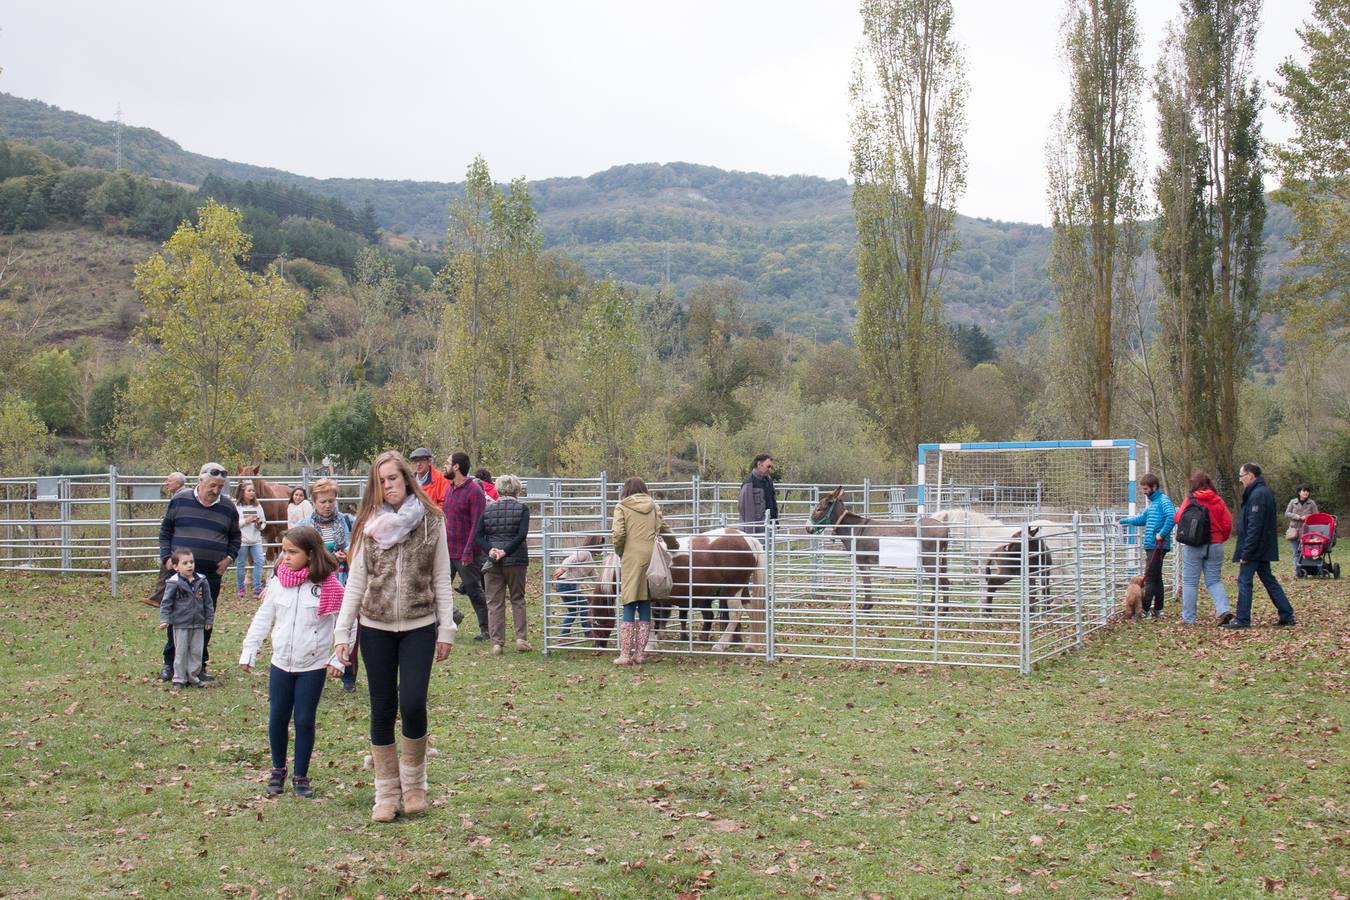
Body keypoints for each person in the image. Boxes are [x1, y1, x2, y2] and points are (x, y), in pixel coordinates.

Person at [334, 450, 457, 822]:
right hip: (376, 627)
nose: (388, 485)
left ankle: (415, 785)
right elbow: (355, 582)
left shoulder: (432, 522)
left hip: (420, 624)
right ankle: (386, 793)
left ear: (407, 477)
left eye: (393, 477)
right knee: (383, 707)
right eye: (382, 480)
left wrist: (446, 628)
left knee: (414, 702)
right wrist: (344, 631)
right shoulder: (368, 527)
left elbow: (441, 578)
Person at [239, 526, 345, 799]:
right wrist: (249, 650)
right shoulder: (278, 582)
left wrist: (339, 659)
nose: (284, 556)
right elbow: (264, 618)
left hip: (312, 666)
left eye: (292, 552)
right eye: (283, 551)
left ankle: (301, 775)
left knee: (304, 719)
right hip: (281, 663)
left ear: (310, 554)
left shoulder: (329, 586)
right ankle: (278, 769)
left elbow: (346, 625)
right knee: (277, 717)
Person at [157, 463, 240, 682]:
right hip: (179, 573)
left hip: (209, 574)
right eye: (212, 485)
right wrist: (167, 558)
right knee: (177, 617)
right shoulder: (180, 500)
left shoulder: (228, 507)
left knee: (205, 617)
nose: (215, 490)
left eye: (220, 487)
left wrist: (229, 558)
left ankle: (198, 665)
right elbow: (165, 531)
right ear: (200, 481)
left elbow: (235, 537)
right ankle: (171, 664)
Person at [610, 477, 678, 666]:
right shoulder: (654, 506)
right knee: (645, 603)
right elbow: (664, 528)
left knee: (630, 601)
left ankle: (625, 654)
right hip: (652, 557)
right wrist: (674, 545)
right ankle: (640, 653)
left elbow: (618, 534)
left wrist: (620, 551)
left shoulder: (621, 507)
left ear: (626, 490)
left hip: (632, 558)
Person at [302, 478, 360, 693]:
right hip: (316, 585)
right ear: (314, 501)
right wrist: (328, 557)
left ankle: (348, 674)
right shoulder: (304, 526)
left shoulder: (346, 521)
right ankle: (313, 673)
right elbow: (299, 555)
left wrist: (347, 554)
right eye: (323, 501)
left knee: (347, 628)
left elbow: (357, 546)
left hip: (343, 582)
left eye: (331, 501)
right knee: (315, 632)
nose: (328, 505)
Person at [1225, 463, 1297, 630]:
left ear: (1251, 475)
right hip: (1263, 547)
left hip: (1255, 548)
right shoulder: (1262, 492)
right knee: (1269, 580)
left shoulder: (1257, 495)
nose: (1240, 480)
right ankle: (1286, 614)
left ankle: (1243, 619)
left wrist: (1246, 552)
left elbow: (1255, 526)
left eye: (1241, 476)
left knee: (1244, 581)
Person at [475, 474, 532, 656]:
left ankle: (497, 643)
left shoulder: (487, 509)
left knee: (494, 602)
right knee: (517, 598)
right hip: (516, 559)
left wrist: (492, 550)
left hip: (492, 561)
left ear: (498, 489)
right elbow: (521, 535)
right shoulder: (522, 508)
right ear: (517, 489)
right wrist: (506, 551)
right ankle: (521, 638)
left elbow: (478, 535)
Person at [1173, 472, 1235, 626]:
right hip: (1215, 544)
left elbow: (1178, 518)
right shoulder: (1218, 500)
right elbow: (1227, 522)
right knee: (1214, 580)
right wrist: (1220, 538)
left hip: (1193, 545)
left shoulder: (1190, 499)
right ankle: (1223, 609)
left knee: (1189, 582)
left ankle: (1189, 618)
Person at [443, 452, 490, 642]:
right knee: (440, 589)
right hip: (447, 550)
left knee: (473, 590)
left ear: (456, 467)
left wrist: (468, 551)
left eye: (447, 463)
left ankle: (486, 629)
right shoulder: (450, 489)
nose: (444, 466)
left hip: (466, 552)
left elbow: (477, 524)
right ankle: (452, 617)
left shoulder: (474, 492)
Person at [1120, 473, 1176, 619]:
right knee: (1156, 578)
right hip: (1153, 545)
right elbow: (1141, 519)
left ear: (1154, 487)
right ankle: (1158, 609)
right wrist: (1124, 521)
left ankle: (1143, 610)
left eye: (1145, 489)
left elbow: (1172, 517)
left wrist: (1162, 534)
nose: (1144, 492)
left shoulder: (1163, 501)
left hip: (1158, 545)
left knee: (1150, 577)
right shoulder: (1153, 504)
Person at [158, 548, 214, 690]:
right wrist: (164, 619)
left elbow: (208, 602)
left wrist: (208, 619)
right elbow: (166, 603)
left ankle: (193, 677)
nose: (189, 565)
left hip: (198, 623)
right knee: (181, 652)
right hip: (181, 624)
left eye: (191, 562)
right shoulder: (173, 583)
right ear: (176, 567)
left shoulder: (201, 581)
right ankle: (179, 678)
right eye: (185, 563)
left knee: (196, 651)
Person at [141, 471, 189, 608]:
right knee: (170, 567)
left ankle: (160, 598)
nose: (166, 483)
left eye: (169, 480)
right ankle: (161, 597)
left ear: (178, 483)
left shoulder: (181, 496)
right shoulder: (180, 495)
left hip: (179, 538)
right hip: (178, 536)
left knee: (170, 564)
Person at [554, 534, 603, 638]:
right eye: (600, 545)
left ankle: (564, 636)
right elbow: (571, 559)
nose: (602, 548)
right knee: (584, 606)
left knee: (573, 610)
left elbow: (595, 575)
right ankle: (588, 632)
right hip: (567, 584)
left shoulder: (590, 560)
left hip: (563, 584)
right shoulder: (584, 553)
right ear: (595, 545)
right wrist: (563, 568)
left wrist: (605, 584)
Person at [235, 480, 267, 599]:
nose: (252, 493)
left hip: (256, 540)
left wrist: (259, 525)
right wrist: (245, 521)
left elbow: (264, 522)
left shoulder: (258, 506)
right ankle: (241, 588)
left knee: (259, 561)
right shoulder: (237, 507)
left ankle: (257, 588)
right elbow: (234, 525)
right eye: (249, 491)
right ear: (243, 492)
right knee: (241, 564)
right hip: (242, 541)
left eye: (253, 491)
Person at [737, 454, 779, 534]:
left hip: (769, 526)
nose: (770, 470)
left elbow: (772, 503)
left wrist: (775, 522)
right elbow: (744, 509)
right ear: (759, 464)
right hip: (756, 530)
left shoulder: (768, 480)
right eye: (768, 466)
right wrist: (750, 532)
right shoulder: (749, 484)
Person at [1284, 484, 1318, 575]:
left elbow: (1316, 515)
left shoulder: (1312, 503)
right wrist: (1297, 516)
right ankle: (1298, 571)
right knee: (1296, 552)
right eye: (1304, 491)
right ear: (1299, 492)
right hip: (1294, 531)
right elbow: (1287, 513)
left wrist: (1306, 517)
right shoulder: (1292, 502)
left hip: (1308, 531)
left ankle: (1309, 569)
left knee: (1308, 552)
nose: (1306, 493)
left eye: (1307, 491)